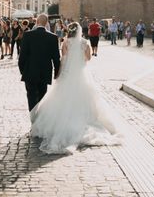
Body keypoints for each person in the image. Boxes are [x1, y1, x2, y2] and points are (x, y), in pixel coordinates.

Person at [30, 21, 119, 154]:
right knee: (85, 97)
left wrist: (60, 72)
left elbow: (63, 58)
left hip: (68, 74)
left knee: (62, 98)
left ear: (69, 31)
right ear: (79, 31)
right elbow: (88, 58)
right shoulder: (84, 42)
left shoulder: (66, 42)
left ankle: (59, 123)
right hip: (81, 74)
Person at [18, 14, 61, 113]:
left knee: (31, 97)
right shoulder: (53, 37)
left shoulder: (28, 35)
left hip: (30, 72)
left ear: (36, 22)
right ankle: (39, 120)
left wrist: (23, 71)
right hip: (45, 72)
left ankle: (33, 120)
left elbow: (22, 56)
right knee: (42, 98)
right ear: (46, 23)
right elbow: (56, 58)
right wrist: (56, 73)